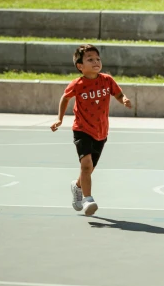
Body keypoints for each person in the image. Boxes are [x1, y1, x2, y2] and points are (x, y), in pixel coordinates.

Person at [51, 43, 132, 216]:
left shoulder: (107, 80)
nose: (96, 62)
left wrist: (124, 99)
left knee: (89, 169)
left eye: (97, 59)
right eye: (90, 59)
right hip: (82, 129)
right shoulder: (77, 84)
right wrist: (59, 118)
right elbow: (65, 98)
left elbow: (117, 93)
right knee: (86, 165)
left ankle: (78, 186)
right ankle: (88, 199)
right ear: (80, 66)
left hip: (101, 132)